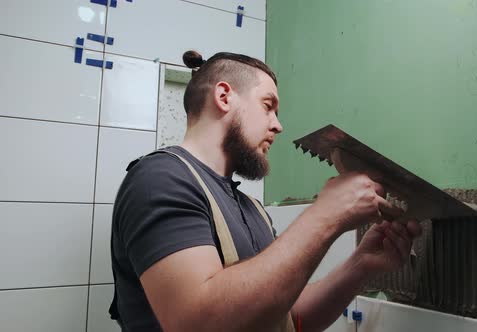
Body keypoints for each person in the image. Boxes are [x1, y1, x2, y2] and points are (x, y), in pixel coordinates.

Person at [109, 50, 422, 332]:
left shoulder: (252, 209)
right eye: (268, 105)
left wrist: (361, 265)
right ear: (224, 96)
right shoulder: (160, 178)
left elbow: (287, 318)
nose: (278, 125)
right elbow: (198, 323)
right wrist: (326, 216)